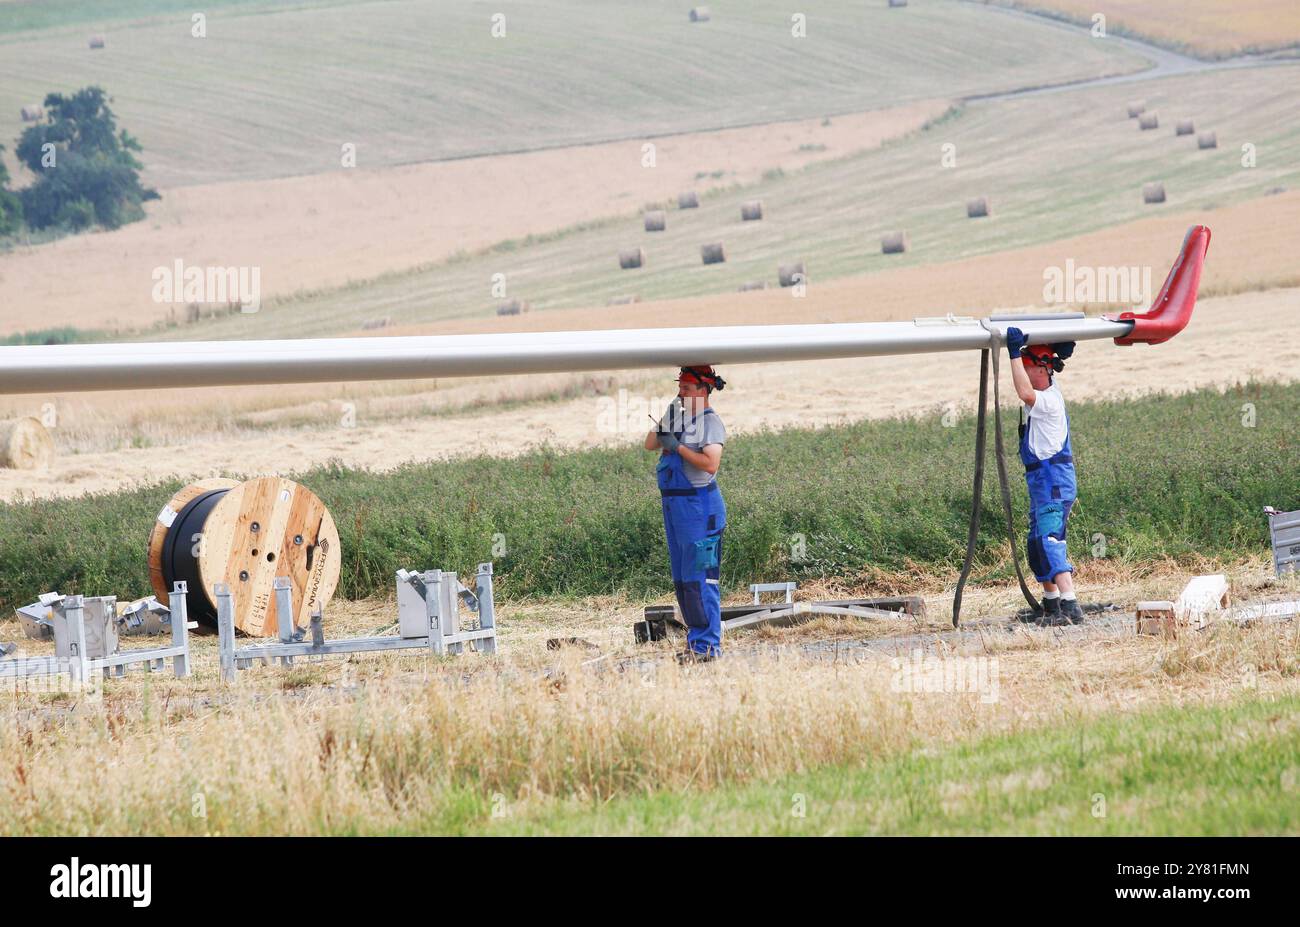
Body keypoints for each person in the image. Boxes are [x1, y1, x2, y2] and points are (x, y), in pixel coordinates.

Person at [644, 366, 727, 661]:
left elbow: (710, 464)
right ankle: (697, 645)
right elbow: (650, 444)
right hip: (676, 509)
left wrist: (678, 448)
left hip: (700, 512)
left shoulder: (710, 422)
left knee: (701, 580)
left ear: (704, 391)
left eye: (687, 389)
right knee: (683, 581)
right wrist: (665, 423)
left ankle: (708, 647)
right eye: (680, 387)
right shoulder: (679, 417)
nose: (681, 392)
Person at [1005, 328, 1084, 626]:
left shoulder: (1048, 400)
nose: (1022, 367)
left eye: (1027, 362)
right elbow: (1026, 391)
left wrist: (1012, 352)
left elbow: (1024, 391)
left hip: (1054, 482)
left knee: (1050, 540)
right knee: (1036, 544)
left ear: (1042, 367)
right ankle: (1051, 604)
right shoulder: (1038, 397)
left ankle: (1071, 605)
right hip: (1041, 483)